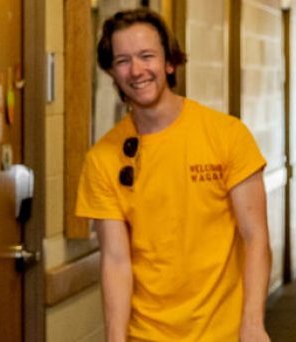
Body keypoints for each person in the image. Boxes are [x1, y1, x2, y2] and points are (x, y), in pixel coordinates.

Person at [76, 8, 271, 342]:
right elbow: (116, 260)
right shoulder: (103, 159)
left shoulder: (226, 134)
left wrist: (252, 323)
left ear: (169, 62)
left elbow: (255, 236)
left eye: (146, 56)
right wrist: (115, 338)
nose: (136, 70)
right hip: (146, 335)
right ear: (111, 71)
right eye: (123, 60)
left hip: (223, 332)